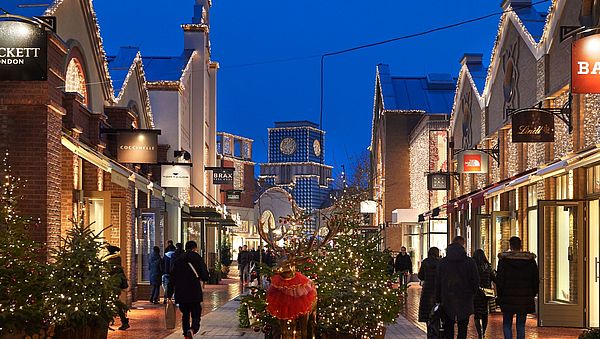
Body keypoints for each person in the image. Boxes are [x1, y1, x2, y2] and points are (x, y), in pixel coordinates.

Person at [435, 236, 479, 339]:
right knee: (463, 327)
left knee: (448, 327)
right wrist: (472, 293)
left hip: (447, 298)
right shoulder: (470, 262)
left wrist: (438, 299)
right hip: (465, 298)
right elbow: (475, 281)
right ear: (463, 245)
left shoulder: (443, 262)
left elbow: (438, 283)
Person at [496, 236, 539, 339]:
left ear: (510, 246)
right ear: (520, 246)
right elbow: (535, 279)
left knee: (507, 323)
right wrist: (532, 293)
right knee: (521, 324)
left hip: (507, 297)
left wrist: (500, 294)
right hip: (524, 297)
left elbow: (500, 280)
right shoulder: (530, 261)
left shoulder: (504, 261)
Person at [170, 240, 209, 339]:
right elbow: (205, 275)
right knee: (196, 314)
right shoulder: (198, 258)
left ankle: (186, 334)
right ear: (194, 248)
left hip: (181, 292)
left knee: (185, 315)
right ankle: (193, 329)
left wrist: (169, 294)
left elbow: (172, 278)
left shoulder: (178, 260)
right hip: (194, 292)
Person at [472, 249, 496, 339]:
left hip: (476, 293)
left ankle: (479, 333)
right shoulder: (488, 267)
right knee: (485, 312)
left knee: (477, 314)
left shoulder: (473, 267)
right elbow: (494, 278)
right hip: (486, 293)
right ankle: (484, 332)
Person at [105, 245, 130, 330]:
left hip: (111, 286)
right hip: (115, 286)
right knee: (115, 304)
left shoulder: (110, 262)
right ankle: (124, 321)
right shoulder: (116, 260)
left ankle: (124, 322)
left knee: (113, 304)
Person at [418, 247, 440, 337]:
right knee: (436, 313)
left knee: (427, 313)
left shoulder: (425, 262)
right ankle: (436, 333)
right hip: (437, 290)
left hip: (427, 290)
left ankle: (429, 334)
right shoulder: (440, 263)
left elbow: (420, 275)